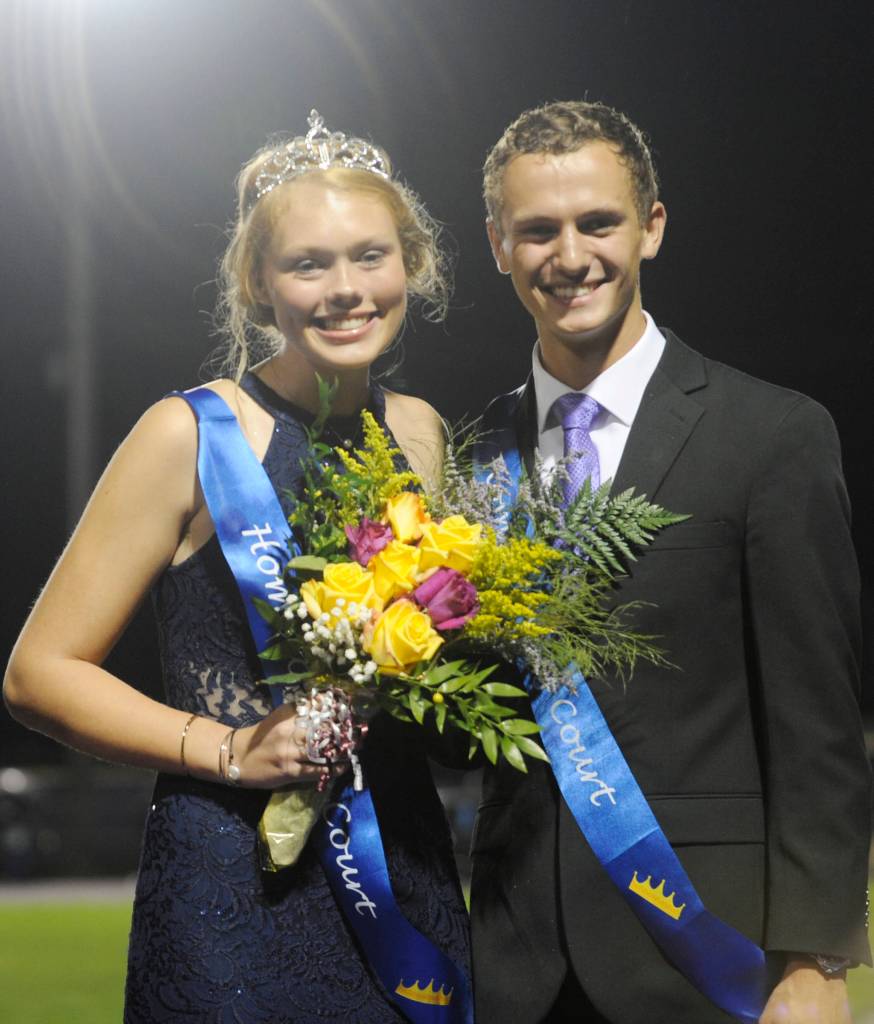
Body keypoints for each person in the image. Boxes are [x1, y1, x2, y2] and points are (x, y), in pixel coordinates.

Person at [3, 111, 470, 1023]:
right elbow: (38, 674)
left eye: (370, 256)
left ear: (411, 264)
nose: (346, 289)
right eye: (308, 264)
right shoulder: (188, 432)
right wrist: (228, 748)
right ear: (258, 281)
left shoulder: (421, 432)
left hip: (402, 868)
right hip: (232, 892)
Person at [470, 99, 870, 1023]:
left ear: (651, 227)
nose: (570, 255)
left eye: (598, 222)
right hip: (516, 964)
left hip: (704, 959)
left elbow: (817, 727)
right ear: (498, 245)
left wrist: (815, 962)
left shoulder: (772, 434)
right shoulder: (472, 455)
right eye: (538, 230)